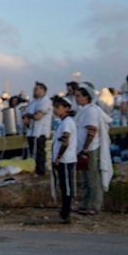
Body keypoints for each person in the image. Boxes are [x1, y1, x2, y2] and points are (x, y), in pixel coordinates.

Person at [74, 85, 112, 215]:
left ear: (86, 97)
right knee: (84, 179)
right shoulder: (83, 110)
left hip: (90, 149)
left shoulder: (91, 111)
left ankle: (95, 205)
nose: (76, 98)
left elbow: (92, 130)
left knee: (93, 178)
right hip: (82, 149)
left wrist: (85, 148)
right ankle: (84, 204)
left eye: (79, 96)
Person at [50, 96, 77, 224]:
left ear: (66, 108)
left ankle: (66, 212)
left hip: (65, 160)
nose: (55, 110)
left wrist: (59, 158)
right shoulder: (63, 122)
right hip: (62, 159)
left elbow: (65, 142)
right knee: (63, 185)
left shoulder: (67, 123)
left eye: (58, 107)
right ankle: (64, 211)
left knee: (66, 186)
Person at [22, 81, 53, 176]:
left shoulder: (46, 101)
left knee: (39, 152)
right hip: (31, 131)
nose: (34, 91)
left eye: (36, 89)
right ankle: (33, 169)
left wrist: (28, 116)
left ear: (43, 90)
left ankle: (40, 171)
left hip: (40, 131)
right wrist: (26, 117)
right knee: (32, 152)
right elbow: (26, 114)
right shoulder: (33, 101)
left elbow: (38, 116)